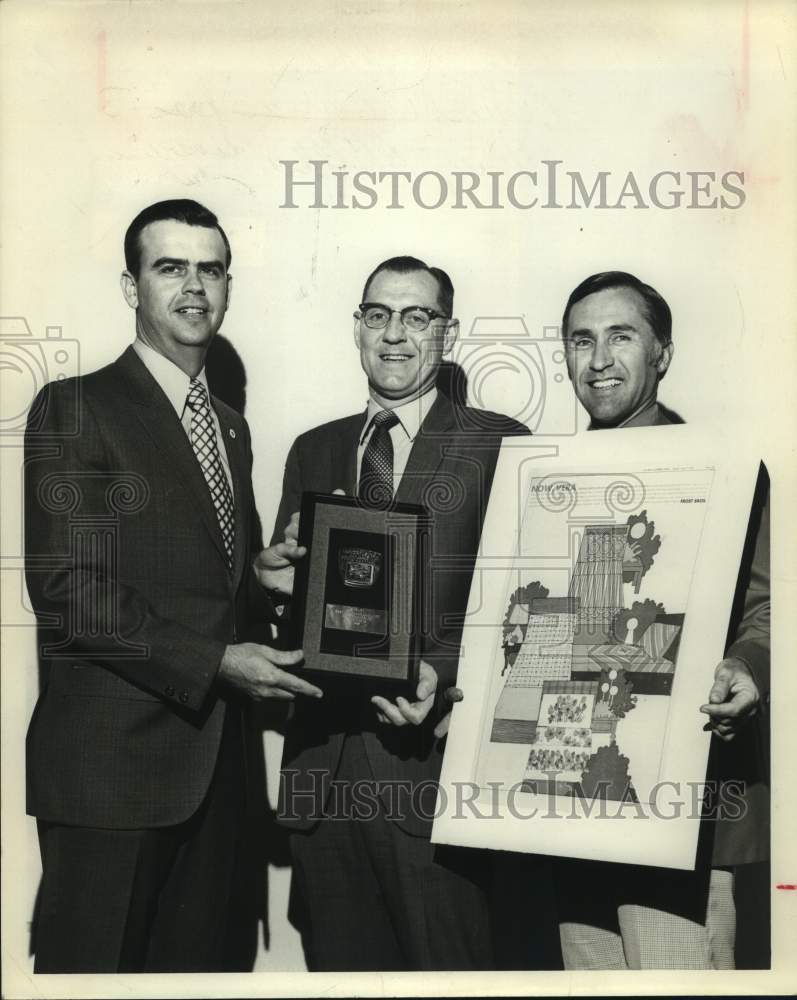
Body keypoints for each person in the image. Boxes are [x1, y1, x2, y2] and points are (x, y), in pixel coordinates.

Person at [24, 199, 322, 973]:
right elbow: (65, 586)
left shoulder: (228, 423)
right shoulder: (75, 407)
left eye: (210, 269)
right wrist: (216, 663)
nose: (194, 286)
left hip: (218, 783)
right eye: (171, 267)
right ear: (131, 286)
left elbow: (212, 584)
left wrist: (262, 577)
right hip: (110, 783)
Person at [257, 255, 528, 970]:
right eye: (377, 315)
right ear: (356, 327)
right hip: (320, 778)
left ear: (449, 331)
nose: (395, 334)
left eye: (417, 316)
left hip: (431, 773)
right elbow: (294, 608)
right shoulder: (313, 449)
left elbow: (527, 615)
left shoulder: (499, 444)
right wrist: (270, 584)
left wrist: (440, 671)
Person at [553, 270, 770, 969]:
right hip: (572, 811)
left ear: (662, 354)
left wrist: (746, 668)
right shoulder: (548, 478)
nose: (598, 360)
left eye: (621, 337)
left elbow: (770, 608)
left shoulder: (722, 468)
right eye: (580, 340)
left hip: (688, 816)